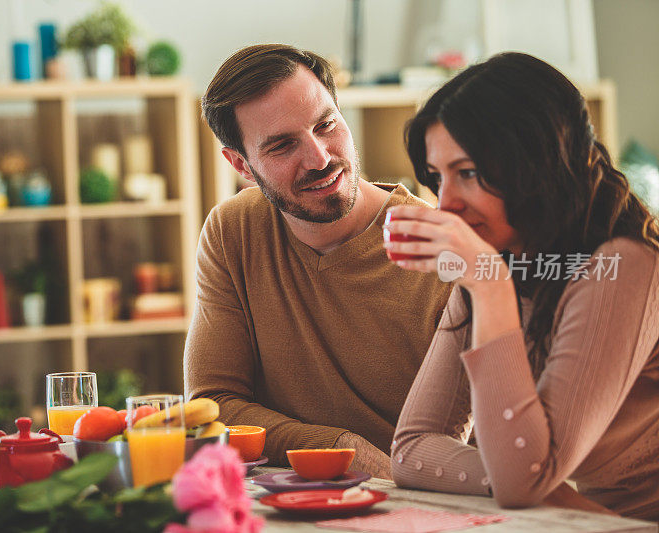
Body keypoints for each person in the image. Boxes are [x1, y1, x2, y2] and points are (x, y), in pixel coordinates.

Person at [389, 52, 659, 520]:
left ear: (538, 163)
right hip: (582, 517)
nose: (446, 203)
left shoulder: (622, 264)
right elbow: (412, 450)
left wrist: (533, 482)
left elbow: (523, 481)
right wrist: (543, 486)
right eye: (437, 177)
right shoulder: (499, 262)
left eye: (468, 173)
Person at [185, 44, 452, 478]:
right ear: (241, 166)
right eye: (282, 146)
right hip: (288, 506)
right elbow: (212, 406)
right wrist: (340, 449)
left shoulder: (443, 249)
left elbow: (472, 448)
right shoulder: (234, 230)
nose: (320, 158)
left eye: (326, 124)